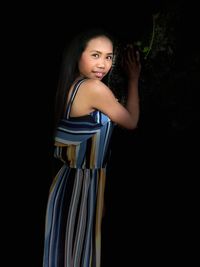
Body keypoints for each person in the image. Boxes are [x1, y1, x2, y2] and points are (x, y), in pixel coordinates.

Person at [43, 27, 141, 267]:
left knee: (71, 256)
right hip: (79, 187)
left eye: (108, 57)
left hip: (75, 183)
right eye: (95, 55)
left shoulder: (74, 85)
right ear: (79, 55)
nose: (103, 64)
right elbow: (131, 121)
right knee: (76, 257)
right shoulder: (93, 88)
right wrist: (134, 79)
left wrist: (99, 193)